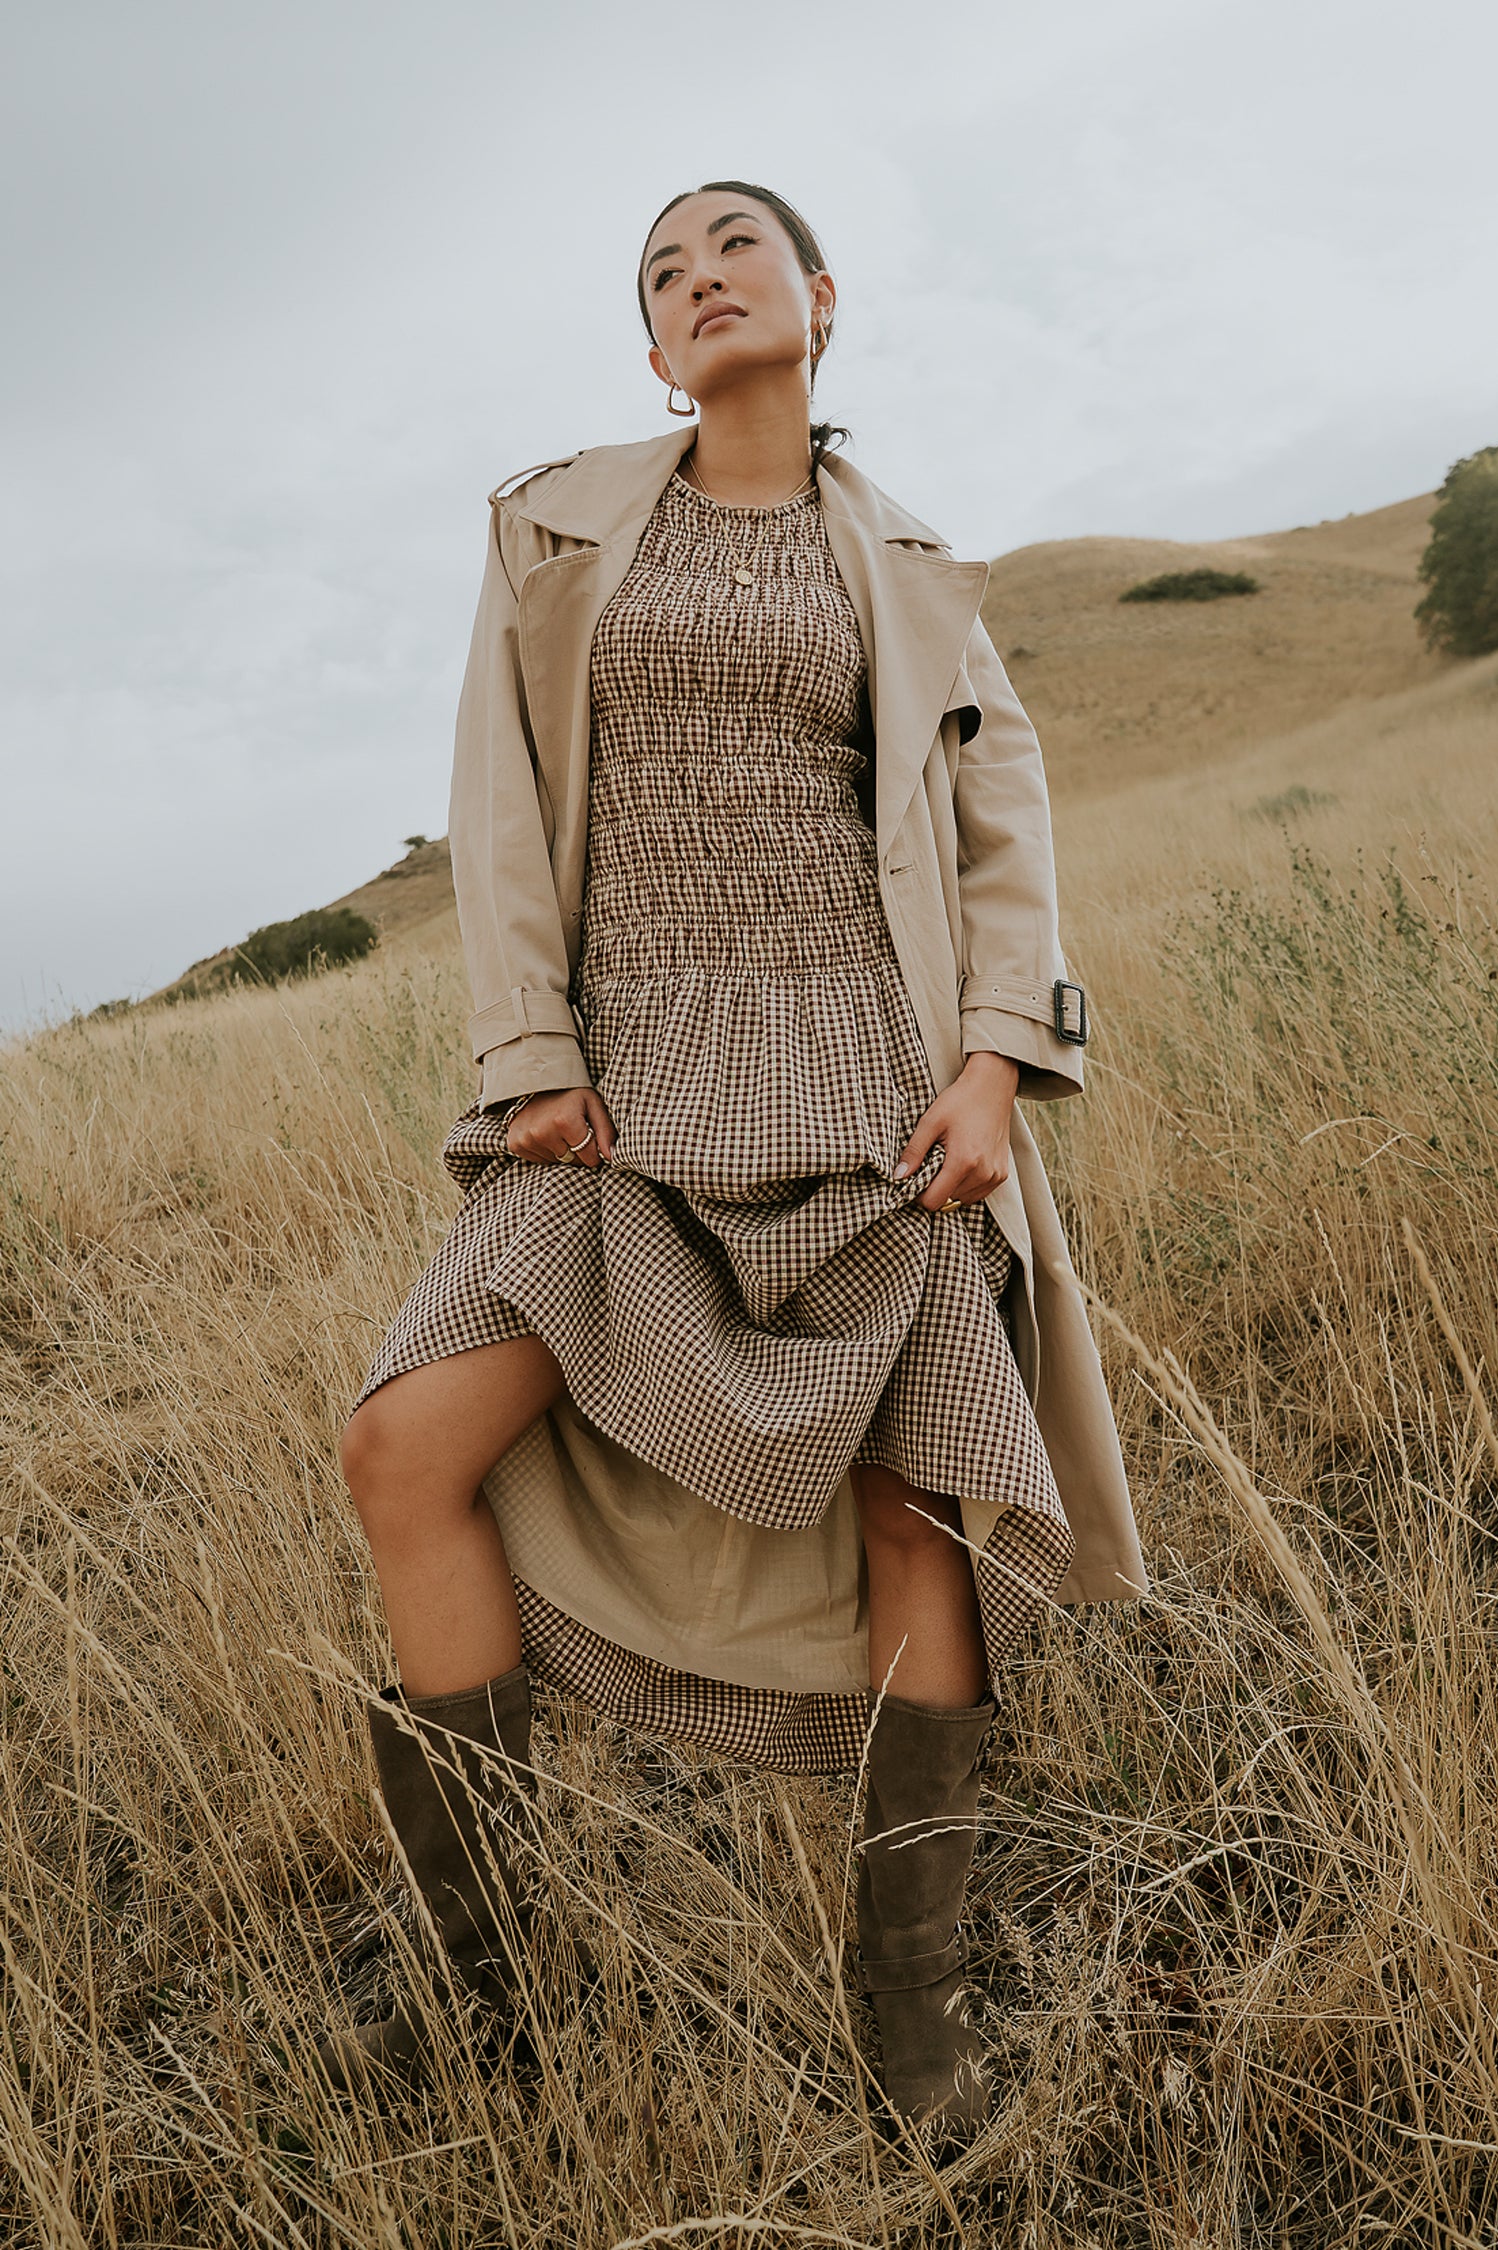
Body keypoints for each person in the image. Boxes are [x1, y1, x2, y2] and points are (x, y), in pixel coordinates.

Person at [318, 179, 1148, 2138]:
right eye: (665, 275)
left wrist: (995, 1066)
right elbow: (498, 807)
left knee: (909, 1521)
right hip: (611, 1105)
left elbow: (996, 836)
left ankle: (911, 2048)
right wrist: (527, 1049)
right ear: (653, 347)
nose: (701, 284)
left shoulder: (917, 565)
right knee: (403, 1447)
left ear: (823, 302)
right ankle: (505, 2012)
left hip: (874, 1098)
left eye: (735, 253)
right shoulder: (561, 532)